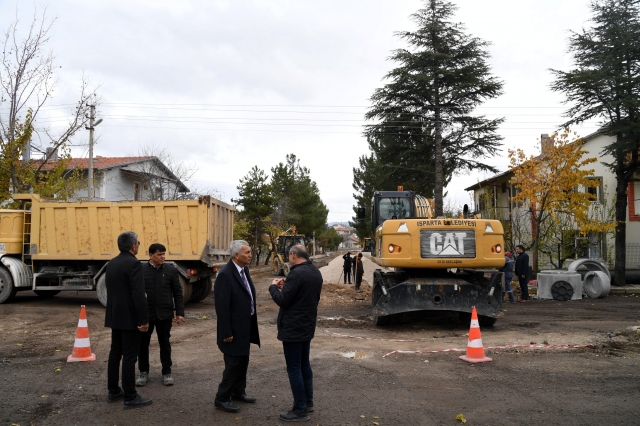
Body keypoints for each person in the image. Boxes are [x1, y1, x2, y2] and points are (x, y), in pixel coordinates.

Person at [269, 244, 323, 422]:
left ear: (293, 255)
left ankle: (300, 409)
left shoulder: (296, 273)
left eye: (289, 255)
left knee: (294, 369)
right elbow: (301, 295)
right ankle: (308, 402)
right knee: (304, 365)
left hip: (293, 328)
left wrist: (274, 288)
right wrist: (288, 287)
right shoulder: (315, 272)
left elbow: (284, 301)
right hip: (307, 326)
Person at [105, 231, 152, 409]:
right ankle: (131, 396)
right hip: (130, 318)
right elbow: (138, 295)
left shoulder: (112, 263)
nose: (139, 245)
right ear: (133, 246)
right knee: (130, 357)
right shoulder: (134, 264)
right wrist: (144, 320)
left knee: (115, 354)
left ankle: (114, 391)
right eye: (138, 243)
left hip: (115, 316)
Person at [213, 240, 260, 413]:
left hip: (244, 327)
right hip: (232, 329)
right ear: (236, 255)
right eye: (247, 252)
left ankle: (238, 392)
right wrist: (226, 331)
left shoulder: (244, 270)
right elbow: (222, 306)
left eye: (250, 252)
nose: (250, 255)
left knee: (243, 361)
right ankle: (222, 397)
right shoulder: (226, 274)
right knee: (233, 364)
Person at [136, 243, 185, 387]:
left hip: (164, 314)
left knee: (165, 343)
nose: (163, 257)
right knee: (143, 344)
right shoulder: (141, 270)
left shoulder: (170, 270)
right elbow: (136, 293)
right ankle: (143, 372)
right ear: (150, 255)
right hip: (146, 315)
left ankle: (166, 372)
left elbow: (178, 293)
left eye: (164, 254)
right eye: (159, 254)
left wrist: (179, 313)